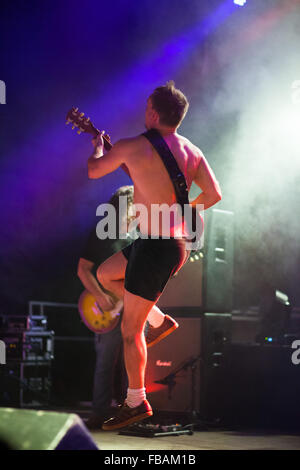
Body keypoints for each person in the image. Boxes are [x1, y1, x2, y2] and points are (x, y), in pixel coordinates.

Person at [87, 81, 222, 430]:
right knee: (105, 274)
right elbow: (214, 194)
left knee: (130, 332)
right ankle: (160, 320)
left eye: (147, 106)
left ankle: (136, 401)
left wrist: (98, 148)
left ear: (153, 112)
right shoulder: (192, 151)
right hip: (170, 244)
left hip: (155, 246)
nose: (144, 111)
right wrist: (181, 210)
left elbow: (93, 170)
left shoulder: (133, 146)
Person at [77, 185, 178, 429]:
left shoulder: (141, 237)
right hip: (109, 310)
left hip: (133, 305)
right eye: (135, 202)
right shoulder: (102, 233)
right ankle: (99, 413)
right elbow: (83, 269)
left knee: (132, 361)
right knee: (105, 362)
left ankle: (130, 412)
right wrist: (100, 295)